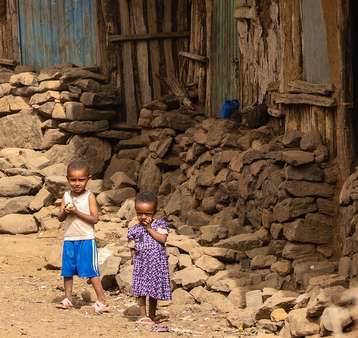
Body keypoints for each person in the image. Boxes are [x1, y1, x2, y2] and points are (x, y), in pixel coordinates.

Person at [57, 160, 109, 314]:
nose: (77, 183)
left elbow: (95, 219)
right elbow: (60, 218)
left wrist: (76, 212)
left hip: (86, 238)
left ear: (88, 179)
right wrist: (65, 212)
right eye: (73, 180)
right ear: (67, 179)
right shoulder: (66, 196)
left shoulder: (89, 196)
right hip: (69, 239)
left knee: (91, 271)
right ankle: (68, 299)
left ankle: (102, 301)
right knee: (67, 271)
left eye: (81, 180)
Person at [127, 192, 171, 324]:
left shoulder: (160, 225)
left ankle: (152, 315)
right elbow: (132, 245)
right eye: (139, 213)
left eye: (147, 214)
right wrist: (133, 257)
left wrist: (149, 228)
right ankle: (142, 315)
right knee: (141, 290)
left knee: (153, 291)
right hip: (141, 263)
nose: (143, 217)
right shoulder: (135, 229)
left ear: (154, 212)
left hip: (156, 264)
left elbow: (162, 239)